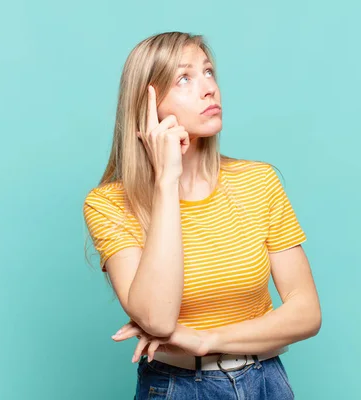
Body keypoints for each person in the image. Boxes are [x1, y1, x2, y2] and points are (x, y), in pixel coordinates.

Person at [83, 31, 321, 400]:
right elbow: (158, 319)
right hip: (178, 388)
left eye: (209, 72)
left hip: (267, 381)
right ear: (146, 108)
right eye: (184, 78)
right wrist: (166, 182)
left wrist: (205, 339)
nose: (208, 88)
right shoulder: (109, 204)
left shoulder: (259, 180)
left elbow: (306, 312)